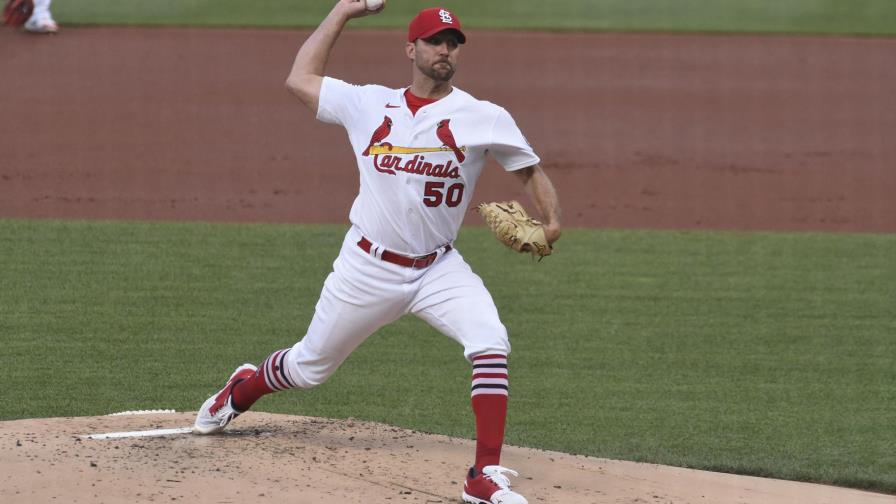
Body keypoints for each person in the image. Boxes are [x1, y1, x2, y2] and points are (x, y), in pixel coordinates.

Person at [193, 2, 561, 503]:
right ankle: (239, 389)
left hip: (438, 268)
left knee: (490, 342)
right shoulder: (368, 103)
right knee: (308, 367)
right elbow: (300, 77)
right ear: (412, 48)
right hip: (366, 267)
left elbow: (529, 171)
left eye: (453, 43)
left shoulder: (484, 116)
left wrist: (553, 222)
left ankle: (483, 476)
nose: (445, 50)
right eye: (435, 41)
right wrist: (342, 11)